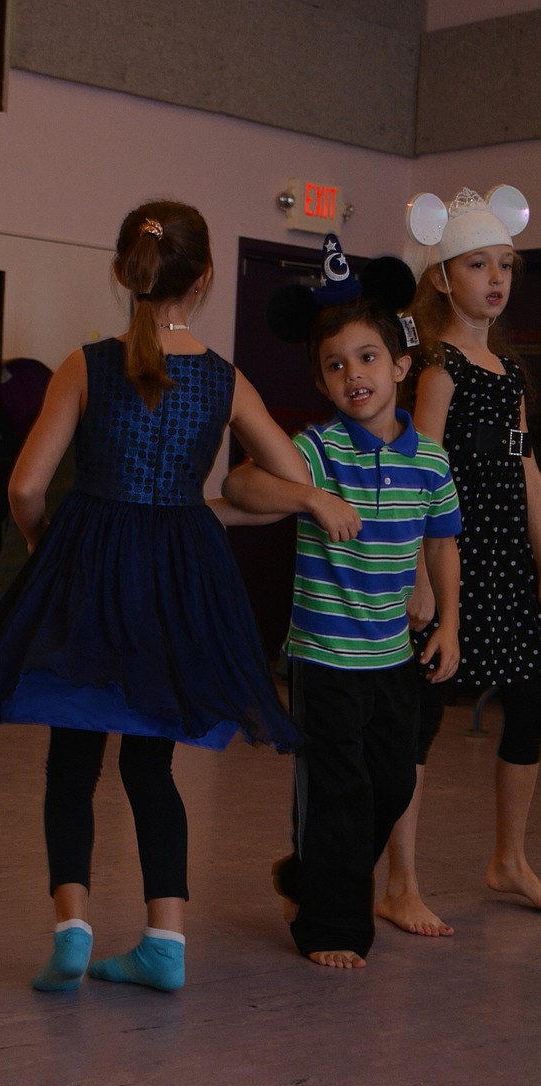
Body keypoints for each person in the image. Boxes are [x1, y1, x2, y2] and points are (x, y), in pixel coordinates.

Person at [0, 199, 335, 994]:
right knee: (153, 769)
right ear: (207, 278)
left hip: (91, 567)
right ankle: (165, 941)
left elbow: (26, 486)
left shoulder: (86, 365)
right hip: (178, 581)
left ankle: (72, 929)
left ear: (123, 272)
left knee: (71, 761)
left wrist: (53, 548)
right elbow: (294, 481)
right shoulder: (224, 378)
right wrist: (209, 510)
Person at [222, 237, 462, 968]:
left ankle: (304, 875)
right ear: (324, 385)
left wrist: (449, 619)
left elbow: (443, 541)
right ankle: (330, 925)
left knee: (389, 782)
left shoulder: (429, 458)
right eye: (335, 365)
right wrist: (309, 496)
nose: (352, 374)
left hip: (391, 652)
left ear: (399, 368)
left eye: (365, 358)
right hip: (324, 655)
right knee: (336, 790)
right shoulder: (319, 450)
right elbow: (240, 486)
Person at [376, 184, 541, 936]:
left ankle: (509, 857)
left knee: (531, 705)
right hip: (453, 560)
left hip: (507, 557)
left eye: (506, 264)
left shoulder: (508, 372)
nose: (498, 279)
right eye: (480, 265)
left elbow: (527, 469)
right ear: (444, 276)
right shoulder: (438, 367)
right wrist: (418, 577)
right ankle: (398, 880)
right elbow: (423, 471)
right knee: (424, 718)